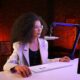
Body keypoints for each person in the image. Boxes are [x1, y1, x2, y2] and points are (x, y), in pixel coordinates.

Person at [3, 12, 70, 77]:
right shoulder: (19, 45)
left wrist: (59, 60)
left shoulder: (44, 43)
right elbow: (7, 65)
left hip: (42, 76)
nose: (39, 30)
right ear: (28, 29)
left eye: (41, 26)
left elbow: (45, 61)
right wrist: (16, 67)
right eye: (36, 27)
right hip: (27, 76)